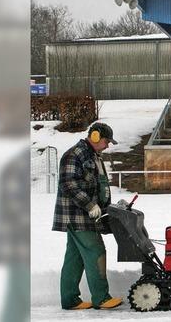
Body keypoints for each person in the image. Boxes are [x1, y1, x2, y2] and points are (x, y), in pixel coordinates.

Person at [52, 122, 123, 310]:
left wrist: (107, 208)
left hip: (86, 215)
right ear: (96, 137)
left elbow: (99, 186)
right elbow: (68, 184)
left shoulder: (93, 156)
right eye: (107, 141)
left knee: (74, 258)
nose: (108, 145)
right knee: (95, 251)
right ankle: (101, 298)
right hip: (77, 215)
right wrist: (90, 205)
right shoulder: (75, 155)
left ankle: (70, 300)